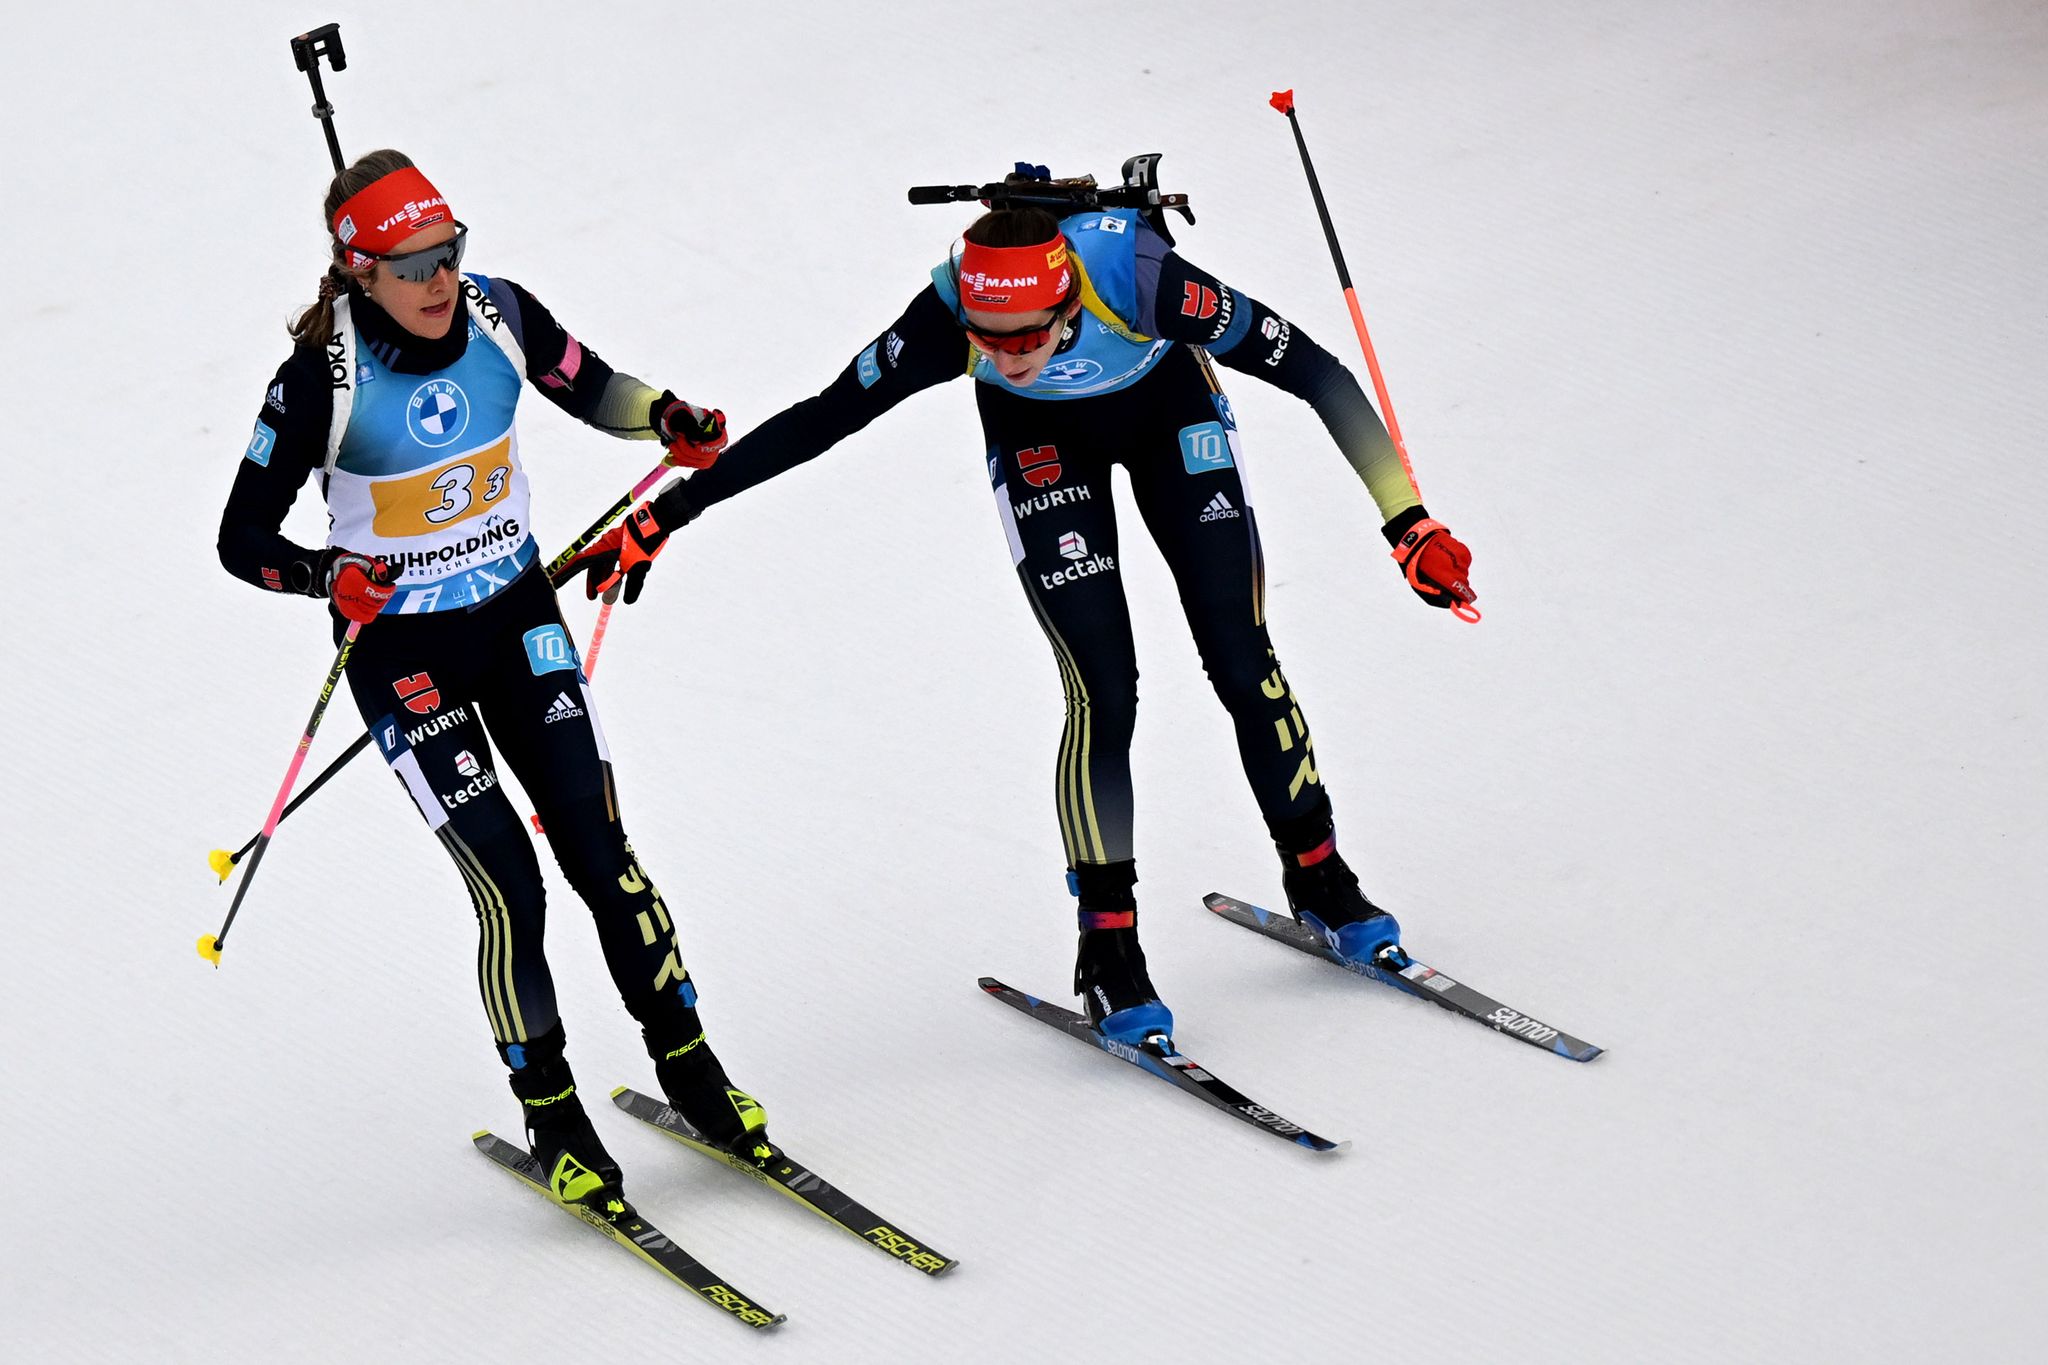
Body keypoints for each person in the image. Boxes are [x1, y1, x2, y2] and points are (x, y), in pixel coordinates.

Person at [569, 167, 1478, 1045]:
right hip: (1042, 444)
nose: (1006, 353)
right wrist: (670, 512)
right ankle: (1109, 947)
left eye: (1028, 337)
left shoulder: (1143, 280)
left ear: (1069, 302)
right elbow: (821, 416)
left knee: (1241, 658)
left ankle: (1319, 874)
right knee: (1104, 690)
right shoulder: (949, 317)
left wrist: (1407, 521)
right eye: (988, 339)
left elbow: (1318, 371)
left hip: (1168, 413)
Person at [217, 150, 768, 1213]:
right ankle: (553, 1115)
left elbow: (592, 385)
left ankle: (689, 1065)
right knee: (508, 884)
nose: (436, 281)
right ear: (357, 270)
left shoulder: (500, 315)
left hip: (519, 624)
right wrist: (327, 575)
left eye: (447, 253)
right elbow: (242, 539)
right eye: (410, 265)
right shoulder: (319, 382)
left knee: (602, 855)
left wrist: (666, 418)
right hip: (403, 658)